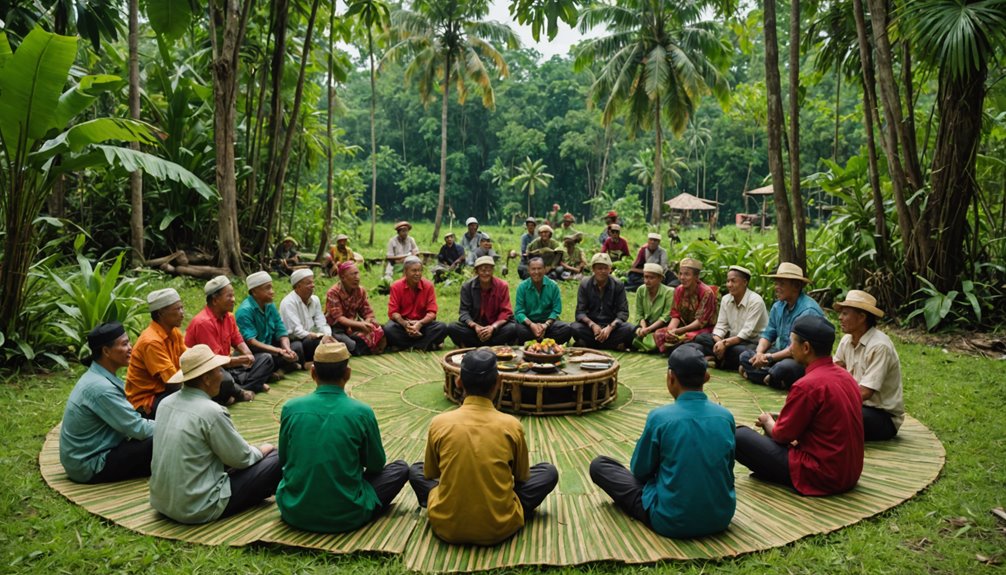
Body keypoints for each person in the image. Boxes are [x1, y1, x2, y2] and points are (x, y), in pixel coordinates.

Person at [408, 348, 559, 545]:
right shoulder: (511, 425)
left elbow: (431, 474)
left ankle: (448, 506)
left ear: (458, 381)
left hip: (446, 526)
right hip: (500, 526)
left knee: (416, 471)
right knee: (548, 472)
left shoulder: (439, 423)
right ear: (499, 382)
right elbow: (521, 477)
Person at [590, 346, 735, 537]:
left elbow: (640, 471)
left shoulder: (660, 418)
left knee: (600, 466)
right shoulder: (725, 416)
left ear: (670, 377)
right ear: (706, 377)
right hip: (720, 517)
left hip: (671, 520)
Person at [276, 342, 409, 533]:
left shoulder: (291, 408)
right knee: (400, 469)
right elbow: (376, 465)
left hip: (294, 510)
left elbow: (284, 459)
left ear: (312, 373)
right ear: (347, 374)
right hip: (349, 514)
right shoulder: (362, 412)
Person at [149, 345, 282, 524]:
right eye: (219, 370)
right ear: (206, 378)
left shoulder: (165, 403)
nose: (223, 375)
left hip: (162, 501)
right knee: (277, 457)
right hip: (198, 507)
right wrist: (264, 449)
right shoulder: (211, 411)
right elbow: (241, 458)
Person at [734, 315, 864, 495]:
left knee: (739, 436)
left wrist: (767, 422)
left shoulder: (807, 385)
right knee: (777, 424)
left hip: (822, 474)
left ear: (806, 347)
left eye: (792, 342)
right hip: (849, 472)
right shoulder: (846, 377)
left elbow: (781, 436)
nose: (789, 348)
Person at [60, 322, 155, 484]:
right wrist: (174, 426)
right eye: (124, 344)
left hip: (91, 454)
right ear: (106, 351)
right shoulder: (101, 388)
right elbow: (137, 428)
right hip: (89, 464)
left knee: (155, 418)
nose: (131, 348)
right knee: (166, 439)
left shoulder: (98, 376)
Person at [739, 262, 825, 389]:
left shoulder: (808, 311)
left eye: (781, 284)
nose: (776, 287)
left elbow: (795, 349)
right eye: (776, 283)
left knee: (783, 368)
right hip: (779, 352)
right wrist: (759, 353)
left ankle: (768, 375)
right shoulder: (778, 306)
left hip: (800, 359)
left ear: (796, 286)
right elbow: (768, 333)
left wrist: (768, 358)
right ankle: (772, 378)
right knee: (745, 355)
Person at [185, 275, 272, 401]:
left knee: (266, 359)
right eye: (229, 296)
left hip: (227, 366)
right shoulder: (203, 322)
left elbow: (237, 339)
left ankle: (236, 391)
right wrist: (240, 360)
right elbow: (214, 361)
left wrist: (248, 355)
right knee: (222, 377)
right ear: (215, 300)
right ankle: (242, 390)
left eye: (233, 295)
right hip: (211, 369)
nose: (233, 299)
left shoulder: (229, 317)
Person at [833, 290, 905, 441]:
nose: (840, 317)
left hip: (882, 417)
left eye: (845, 313)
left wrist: (835, 402)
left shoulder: (880, 346)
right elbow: (834, 371)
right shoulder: (847, 340)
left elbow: (865, 392)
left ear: (861, 317)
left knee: (832, 417)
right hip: (857, 405)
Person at [690, 265, 769, 371]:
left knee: (739, 352)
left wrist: (724, 344)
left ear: (745, 282)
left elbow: (745, 333)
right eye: (728, 281)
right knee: (701, 338)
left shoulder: (756, 301)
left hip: (751, 343)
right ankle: (721, 360)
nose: (729, 285)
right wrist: (719, 342)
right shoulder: (726, 299)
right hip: (730, 341)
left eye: (733, 281)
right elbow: (721, 325)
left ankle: (719, 360)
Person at [126, 288, 188, 418]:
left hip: (167, 389)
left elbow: (188, 359)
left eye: (182, 308)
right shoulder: (151, 342)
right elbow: (173, 383)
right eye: (177, 309)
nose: (182, 313)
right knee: (193, 404)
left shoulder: (173, 331)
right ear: (161, 313)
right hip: (147, 401)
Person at [236, 271, 302, 375]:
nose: (272, 291)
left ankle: (277, 369)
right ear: (254, 291)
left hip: (270, 347)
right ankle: (275, 370)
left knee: (297, 346)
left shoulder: (269, 305)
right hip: (256, 352)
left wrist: (287, 349)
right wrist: (278, 351)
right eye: (267, 288)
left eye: (272, 287)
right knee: (267, 358)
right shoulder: (245, 311)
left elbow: (281, 330)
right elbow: (251, 342)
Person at [447, 256, 518, 348]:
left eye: (489, 270)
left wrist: (492, 327)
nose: (486, 273)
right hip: (475, 329)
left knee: (513, 328)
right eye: (483, 270)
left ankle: (476, 344)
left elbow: (506, 312)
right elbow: (464, 312)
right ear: (476, 271)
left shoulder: (502, 286)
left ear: (493, 271)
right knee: (452, 327)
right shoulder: (467, 287)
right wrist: (475, 326)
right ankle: (490, 343)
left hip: (495, 329)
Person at [570, 253, 636, 350]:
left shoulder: (618, 284)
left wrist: (610, 327)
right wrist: (592, 325)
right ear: (593, 269)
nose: (603, 271)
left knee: (630, 328)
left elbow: (623, 312)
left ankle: (592, 344)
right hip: (591, 327)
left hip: (611, 327)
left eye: (606, 268)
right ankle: (611, 344)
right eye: (599, 268)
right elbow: (580, 313)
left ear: (610, 269)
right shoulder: (585, 284)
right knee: (573, 327)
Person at [383, 256, 449, 351]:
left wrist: (420, 323)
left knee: (442, 327)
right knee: (388, 329)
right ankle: (424, 345)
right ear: (405, 272)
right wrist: (405, 324)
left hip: (423, 325)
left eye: (420, 270)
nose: (417, 274)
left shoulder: (428, 286)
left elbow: (432, 312)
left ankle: (406, 345)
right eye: (414, 271)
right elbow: (394, 312)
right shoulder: (396, 286)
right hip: (403, 325)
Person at [654, 258, 717, 353]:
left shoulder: (706, 293)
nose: (682, 277)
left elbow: (700, 322)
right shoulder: (678, 290)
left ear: (696, 276)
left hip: (704, 329)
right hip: (685, 327)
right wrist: (671, 330)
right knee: (660, 334)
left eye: (687, 274)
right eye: (680, 274)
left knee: (689, 337)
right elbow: (675, 315)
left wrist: (679, 331)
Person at [325, 261, 386, 356]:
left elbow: (368, 313)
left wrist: (367, 323)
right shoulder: (333, 293)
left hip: (353, 326)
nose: (357, 278)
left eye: (357, 273)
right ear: (343, 278)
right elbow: (339, 318)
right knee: (353, 345)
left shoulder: (360, 291)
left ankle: (370, 347)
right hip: (337, 329)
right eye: (353, 274)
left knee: (380, 329)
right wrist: (361, 325)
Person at [279, 268, 336, 363]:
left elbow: (321, 322)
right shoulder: (288, 303)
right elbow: (296, 331)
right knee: (298, 347)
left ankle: (313, 361)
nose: (313, 285)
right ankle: (303, 364)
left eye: (313, 282)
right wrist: (319, 336)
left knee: (329, 341)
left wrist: (327, 336)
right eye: (308, 283)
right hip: (293, 340)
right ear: (298, 286)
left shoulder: (315, 300)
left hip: (309, 337)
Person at [514, 257, 572, 345]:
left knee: (567, 328)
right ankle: (544, 340)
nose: (536, 272)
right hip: (529, 324)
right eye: (533, 269)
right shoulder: (522, 287)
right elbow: (519, 312)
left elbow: (556, 310)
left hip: (548, 324)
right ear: (529, 270)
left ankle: (538, 340)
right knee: (517, 330)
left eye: (539, 268)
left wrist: (545, 325)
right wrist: (531, 325)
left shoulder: (553, 286)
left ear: (545, 270)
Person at [631, 264, 673, 352]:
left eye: (651, 278)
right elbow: (639, 314)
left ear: (660, 279)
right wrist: (643, 327)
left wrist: (649, 329)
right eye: (645, 277)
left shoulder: (669, 292)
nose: (647, 281)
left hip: (661, 325)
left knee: (662, 338)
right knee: (628, 331)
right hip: (645, 325)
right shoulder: (641, 290)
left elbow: (665, 317)